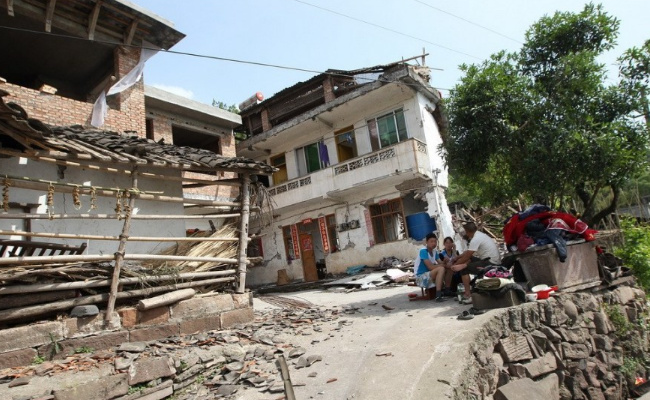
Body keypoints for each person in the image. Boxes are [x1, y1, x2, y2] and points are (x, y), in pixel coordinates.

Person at [451, 222, 501, 303]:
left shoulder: (475, 239)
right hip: (490, 260)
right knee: (466, 261)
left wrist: (455, 265)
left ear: (467, 232)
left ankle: (468, 295)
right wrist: (457, 258)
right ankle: (464, 268)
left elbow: (467, 256)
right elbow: (468, 253)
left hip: (490, 263)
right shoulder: (480, 235)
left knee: (464, 269)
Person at [413, 233, 447, 302]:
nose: (434, 243)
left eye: (435, 241)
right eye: (431, 241)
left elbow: (440, 263)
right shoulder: (423, 251)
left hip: (428, 275)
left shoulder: (435, 252)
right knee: (441, 269)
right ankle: (438, 295)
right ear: (427, 242)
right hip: (420, 277)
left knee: (446, 268)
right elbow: (430, 267)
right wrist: (443, 265)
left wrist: (445, 262)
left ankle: (447, 289)